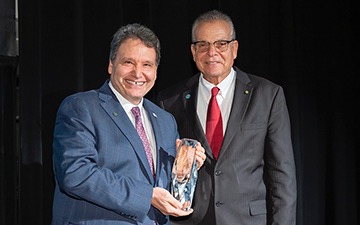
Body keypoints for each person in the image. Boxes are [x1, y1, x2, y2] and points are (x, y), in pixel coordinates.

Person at [51, 23, 206, 225]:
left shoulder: (165, 120)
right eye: (128, 62)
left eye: (147, 65)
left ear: (156, 71)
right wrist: (147, 195)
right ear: (111, 65)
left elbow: (162, 186)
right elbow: (76, 174)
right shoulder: (81, 107)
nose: (137, 73)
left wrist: (186, 168)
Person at [156, 10, 297, 225]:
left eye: (221, 44)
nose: (212, 52)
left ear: (235, 48)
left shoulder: (268, 95)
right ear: (193, 52)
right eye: (202, 45)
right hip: (191, 220)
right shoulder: (170, 101)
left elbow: (282, 175)